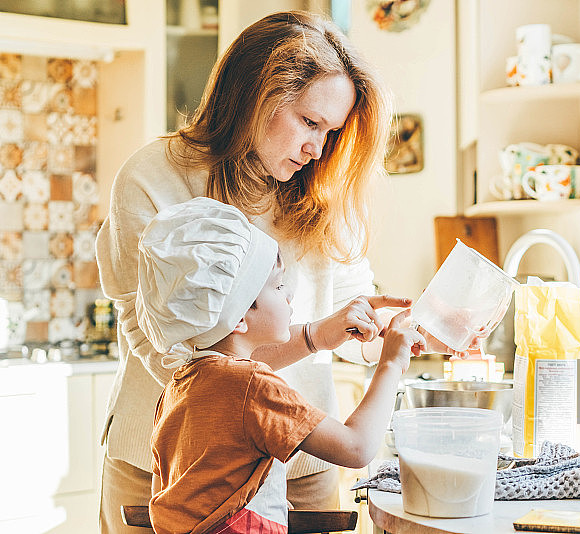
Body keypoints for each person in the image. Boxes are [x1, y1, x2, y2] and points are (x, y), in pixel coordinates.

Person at [95, 10, 463, 533]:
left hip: (300, 462)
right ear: (254, 97)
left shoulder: (322, 187)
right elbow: (175, 353)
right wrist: (312, 339)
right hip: (170, 468)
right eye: (309, 123)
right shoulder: (152, 176)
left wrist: (387, 332)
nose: (318, 150)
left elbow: (353, 313)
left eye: (331, 133)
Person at [136, 197, 424, 534]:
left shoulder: (183, 382)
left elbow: (202, 488)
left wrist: (259, 493)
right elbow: (356, 447)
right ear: (240, 317)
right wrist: (390, 363)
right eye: (277, 285)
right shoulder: (253, 386)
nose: (289, 295)